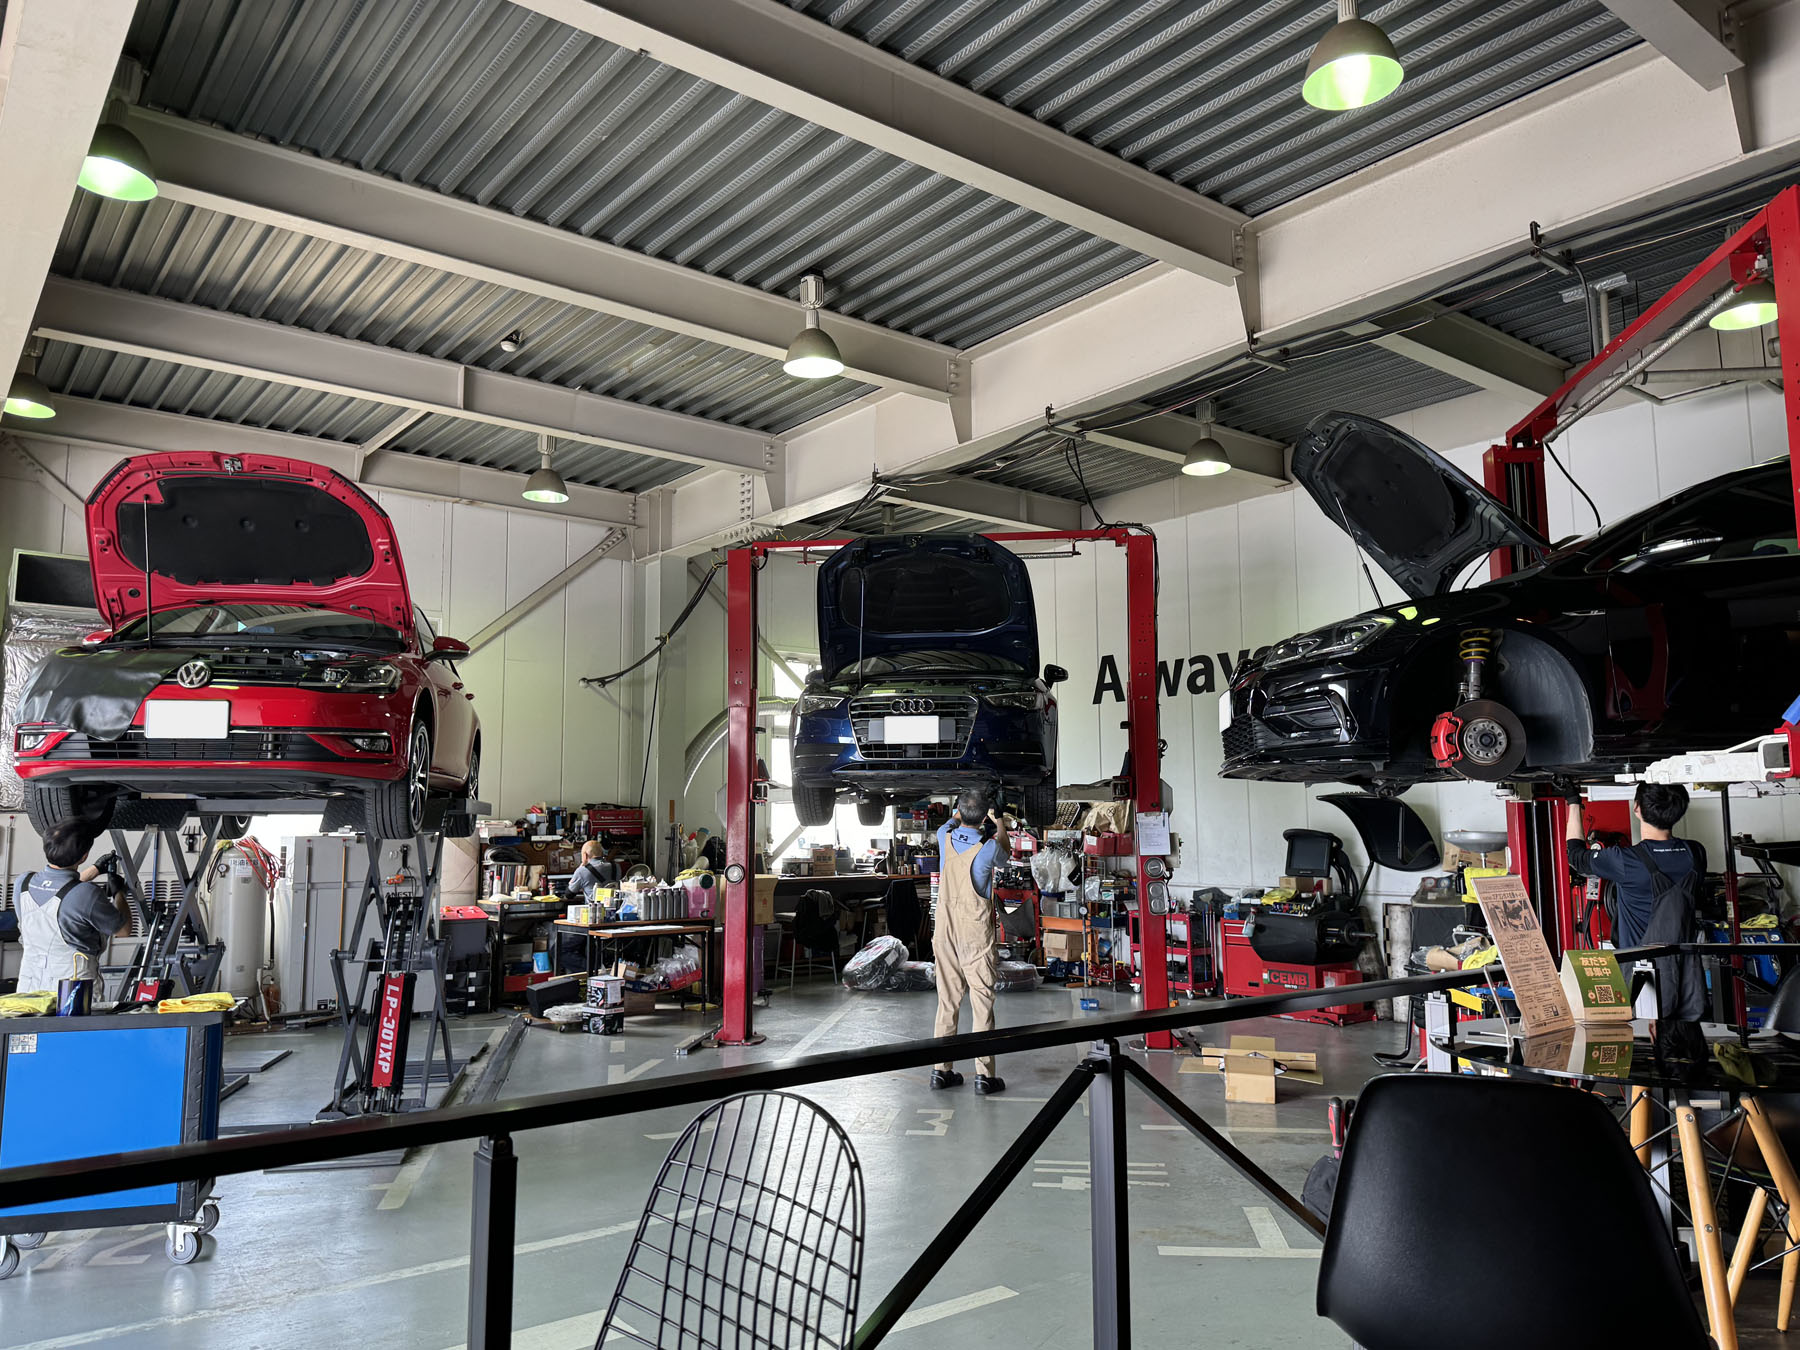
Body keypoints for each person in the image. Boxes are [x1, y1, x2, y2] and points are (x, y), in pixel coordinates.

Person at [1566, 783, 1705, 1016]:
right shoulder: (1695, 853)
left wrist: (1573, 802)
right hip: (1688, 975)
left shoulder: (1626, 860)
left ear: (1637, 808)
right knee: (1686, 1034)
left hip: (1643, 980)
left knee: (1643, 1034)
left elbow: (1576, 857)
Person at [931, 787, 1008, 1095]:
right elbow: (1005, 852)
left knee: (947, 1000)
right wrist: (998, 818)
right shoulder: (988, 848)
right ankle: (984, 1077)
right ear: (984, 815)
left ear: (959, 810)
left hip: (945, 930)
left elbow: (953, 821)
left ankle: (941, 1071)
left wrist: (963, 807)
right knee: (982, 1000)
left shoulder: (943, 836)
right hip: (974, 933)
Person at [15, 820, 132, 996]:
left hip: (29, 988)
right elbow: (123, 930)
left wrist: (94, 870)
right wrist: (119, 893)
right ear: (84, 856)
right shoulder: (87, 893)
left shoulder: (23, 883)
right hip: (71, 994)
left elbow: (61, 894)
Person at [563, 840, 618, 906]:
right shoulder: (616, 867)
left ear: (585, 855)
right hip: (615, 908)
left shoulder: (581, 871)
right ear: (602, 854)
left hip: (594, 909)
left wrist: (579, 868)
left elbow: (569, 894)